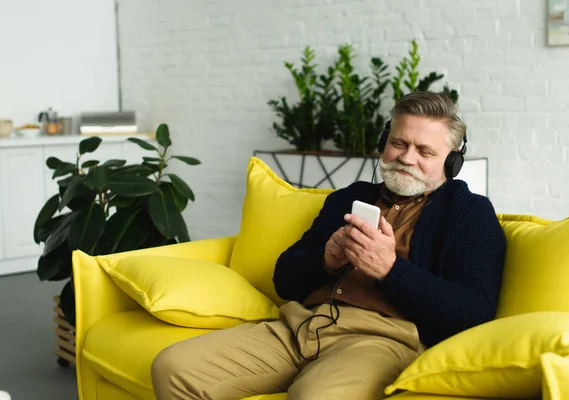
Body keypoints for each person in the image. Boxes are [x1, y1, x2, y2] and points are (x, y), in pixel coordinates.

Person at [151, 91, 507, 400]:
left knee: (315, 396)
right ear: (385, 141)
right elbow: (284, 278)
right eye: (399, 143)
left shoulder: (469, 213)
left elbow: (473, 311)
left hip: (381, 340)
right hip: (300, 326)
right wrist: (327, 259)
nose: (406, 157)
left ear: (452, 160)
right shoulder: (349, 198)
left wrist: (390, 269)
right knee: (174, 368)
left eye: (424, 150)